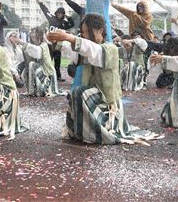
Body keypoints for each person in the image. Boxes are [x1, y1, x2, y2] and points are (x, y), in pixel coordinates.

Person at [47, 13, 161, 145]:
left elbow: (93, 50)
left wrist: (69, 38)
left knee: (79, 92)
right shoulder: (88, 48)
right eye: (83, 33)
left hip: (107, 102)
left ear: (100, 30)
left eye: (87, 32)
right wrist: (55, 40)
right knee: (75, 93)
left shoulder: (110, 49)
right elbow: (75, 52)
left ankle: (97, 131)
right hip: (94, 96)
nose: (85, 36)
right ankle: (82, 130)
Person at [10, 27, 65, 97]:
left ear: (40, 35)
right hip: (38, 75)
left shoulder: (44, 45)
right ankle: (32, 90)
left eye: (35, 33)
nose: (33, 35)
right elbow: (21, 59)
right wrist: (15, 45)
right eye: (32, 33)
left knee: (32, 64)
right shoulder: (30, 46)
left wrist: (21, 42)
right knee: (26, 67)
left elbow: (37, 52)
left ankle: (39, 90)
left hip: (47, 76)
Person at [36, 0, 74, 81]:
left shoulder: (64, 23)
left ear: (63, 14)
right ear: (56, 13)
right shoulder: (52, 18)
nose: (60, 14)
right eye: (58, 13)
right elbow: (46, 11)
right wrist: (40, 3)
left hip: (58, 44)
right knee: (47, 60)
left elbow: (72, 24)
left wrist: (68, 17)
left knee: (57, 61)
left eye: (61, 13)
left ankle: (58, 76)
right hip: (49, 43)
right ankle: (45, 74)